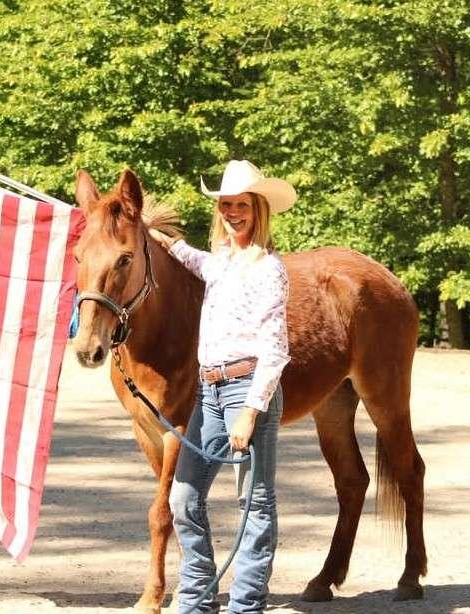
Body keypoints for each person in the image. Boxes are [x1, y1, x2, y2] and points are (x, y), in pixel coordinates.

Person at [150, 160, 295, 613]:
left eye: (241, 206)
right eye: (226, 205)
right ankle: (196, 597)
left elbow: (275, 349)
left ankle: (246, 605)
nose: (233, 213)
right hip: (209, 392)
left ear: (259, 210)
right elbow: (195, 259)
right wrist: (164, 241)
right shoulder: (224, 263)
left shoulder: (268, 269)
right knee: (183, 495)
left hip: (247, 389)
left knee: (254, 501)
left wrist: (252, 410)